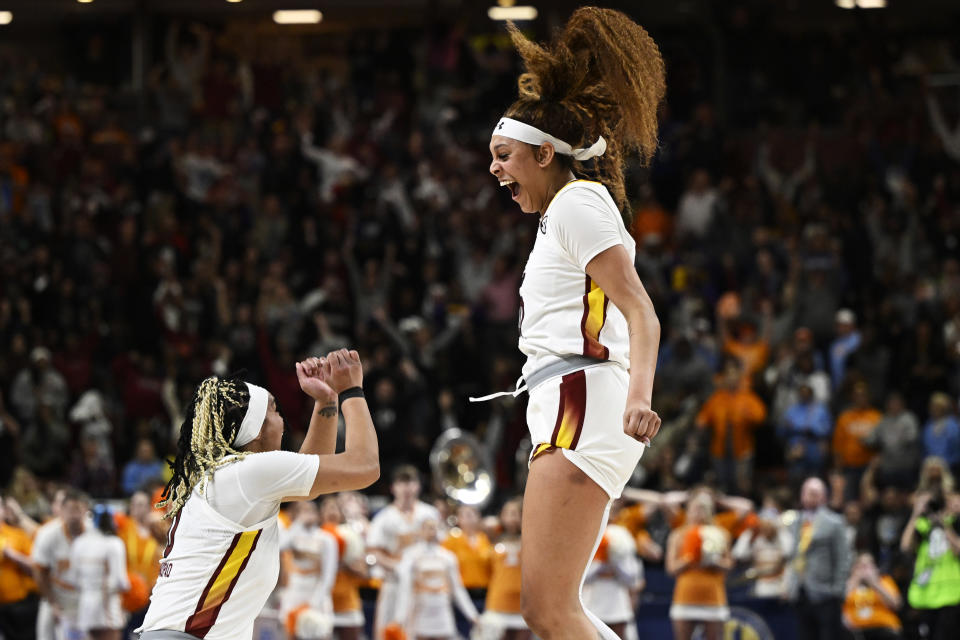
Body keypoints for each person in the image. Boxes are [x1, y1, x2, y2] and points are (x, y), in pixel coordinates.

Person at [481, 7, 665, 639]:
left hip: (583, 397)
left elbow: (640, 309)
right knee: (553, 610)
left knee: (549, 610)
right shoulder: (565, 210)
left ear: (542, 153)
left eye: (504, 155)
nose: (495, 169)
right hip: (570, 398)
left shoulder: (577, 202)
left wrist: (640, 393)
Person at [137, 349, 379, 640]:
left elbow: (310, 487)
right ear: (256, 431)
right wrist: (351, 389)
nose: (282, 422)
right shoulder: (248, 473)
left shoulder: (224, 477)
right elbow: (365, 466)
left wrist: (327, 401)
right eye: (275, 412)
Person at [367, 465, 440, 640]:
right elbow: (373, 551)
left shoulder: (430, 513)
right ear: (393, 488)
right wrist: (398, 566)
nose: (407, 488)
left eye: (411, 483)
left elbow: (439, 546)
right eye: (402, 483)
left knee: (424, 631)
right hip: (394, 581)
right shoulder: (384, 517)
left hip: (424, 583)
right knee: (389, 629)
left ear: (418, 486)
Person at [785, 477, 852, 640]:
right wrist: (790, 584)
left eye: (815, 493)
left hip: (826, 592)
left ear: (824, 497)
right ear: (801, 496)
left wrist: (838, 590)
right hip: (801, 590)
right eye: (807, 493)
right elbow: (794, 555)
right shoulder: (796, 521)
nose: (810, 497)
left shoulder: (834, 522)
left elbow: (843, 558)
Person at [394, 518, 479, 640]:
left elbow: (457, 589)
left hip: (441, 608)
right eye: (427, 527)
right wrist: (400, 618)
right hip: (420, 611)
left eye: (434, 527)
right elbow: (405, 589)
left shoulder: (448, 557)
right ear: (420, 530)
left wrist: (472, 615)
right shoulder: (411, 556)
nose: (431, 531)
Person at [665, 491, 733, 640]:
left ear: (710, 511)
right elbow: (670, 568)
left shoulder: (721, 534)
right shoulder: (678, 534)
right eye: (696, 508)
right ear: (688, 510)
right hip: (685, 596)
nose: (699, 512)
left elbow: (729, 565)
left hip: (713, 596)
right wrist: (689, 560)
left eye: (703, 508)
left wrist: (713, 561)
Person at [899, 489, 960, 640]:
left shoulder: (955, 524)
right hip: (926, 594)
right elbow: (905, 546)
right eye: (953, 502)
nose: (956, 505)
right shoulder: (923, 525)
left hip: (952, 594)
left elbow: (958, 549)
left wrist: (943, 525)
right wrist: (916, 513)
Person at [32, 488, 90, 640]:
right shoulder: (47, 534)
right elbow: (39, 571)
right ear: (62, 511)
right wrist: (52, 603)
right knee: (46, 633)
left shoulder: (95, 533)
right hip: (55, 594)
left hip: (84, 596)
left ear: (86, 510)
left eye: (78, 509)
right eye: (70, 510)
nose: (74, 515)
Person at [66, 504, 130, 640]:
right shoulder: (114, 543)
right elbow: (120, 581)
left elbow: (73, 579)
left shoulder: (78, 543)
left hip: (86, 603)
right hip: (106, 604)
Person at [280, 501, 339, 639]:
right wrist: (298, 524)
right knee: (290, 631)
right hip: (294, 592)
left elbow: (329, 574)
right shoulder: (292, 536)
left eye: (311, 511)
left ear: (318, 515)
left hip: (316, 592)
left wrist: (316, 601)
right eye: (303, 511)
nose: (308, 515)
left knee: (319, 632)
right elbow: (280, 546)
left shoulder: (326, 539)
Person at [582, 511, 643, 639]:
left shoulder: (622, 536)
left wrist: (614, 563)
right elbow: (581, 578)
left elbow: (631, 578)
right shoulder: (585, 534)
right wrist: (601, 563)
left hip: (617, 601)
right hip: (591, 601)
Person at [481, 498, 529, 640]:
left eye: (516, 514)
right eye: (507, 513)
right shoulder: (492, 539)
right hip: (498, 601)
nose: (511, 518)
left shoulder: (530, 540)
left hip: (523, 604)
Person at [320, 496, 367, 640]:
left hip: (347, 602)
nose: (332, 512)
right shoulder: (314, 535)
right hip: (321, 601)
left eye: (335, 509)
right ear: (321, 512)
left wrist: (344, 563)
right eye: (328, 508)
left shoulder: (351, 537)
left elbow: (364, 573)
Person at [0, 495, 38, 640]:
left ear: (3, 510)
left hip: (18, 607)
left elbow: (35, 569)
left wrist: (13, 555)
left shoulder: (18, 535)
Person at [842, 552, 903, 640]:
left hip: (883, 628)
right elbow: (837, 605)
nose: (864, 570)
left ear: (875, 568)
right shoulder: (849, 584)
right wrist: (854, 581)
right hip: (856, 631)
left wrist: (875, 584)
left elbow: (897, 604)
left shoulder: (884, 581)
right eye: (860, 566)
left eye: (868, 566)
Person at [441, 504, 492, 599]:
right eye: (463, 516)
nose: (468, 519)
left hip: (484, 591)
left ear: (478, 517)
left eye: (470, 515)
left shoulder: (484, 539)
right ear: (458, 519)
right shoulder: (451, 540)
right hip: (461, 591)